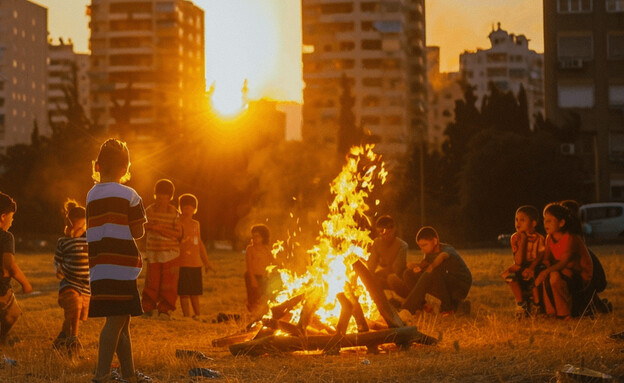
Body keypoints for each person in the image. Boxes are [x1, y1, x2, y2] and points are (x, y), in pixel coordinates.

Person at [87, 138, 151, 383]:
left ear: (98, 166)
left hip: (100, 267)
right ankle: (101, 375)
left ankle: (130, 375)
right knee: (116, 321)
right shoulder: (130, 195)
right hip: (122, 268)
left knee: (122, 322)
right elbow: (137, 232)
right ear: (125, 169)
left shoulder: (91, 195)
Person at [534, 202, 593, 319]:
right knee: (550, 275)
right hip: (562, 271)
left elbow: (564, 262)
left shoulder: (571, 238)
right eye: (545, 220)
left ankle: (564, 313)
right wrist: (539, 268)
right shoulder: (549, 238)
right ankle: (550, 312)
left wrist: (545, 272)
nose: (545, 223)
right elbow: (547, 259)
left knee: (553, 276)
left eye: (550, 220)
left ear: (561, 223)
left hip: (580, 275)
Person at [401, 226, 472, 315]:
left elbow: (442, 256)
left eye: (424, 245)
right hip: (445, 283)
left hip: (460, 284)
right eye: (420, 246)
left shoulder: (447, 249)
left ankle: (408, 308)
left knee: (432, 272)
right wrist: (415, 266)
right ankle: (422, 305)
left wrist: (432, 266)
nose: (422, 249)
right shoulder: (429, 254)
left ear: (434, 241)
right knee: (408, 274)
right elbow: (424, 263)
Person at [141, 179, 182, 320]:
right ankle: (148, 307)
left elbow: (178, 233)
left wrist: (162, 230)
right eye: (158, 196)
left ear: (170, 197)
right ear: (155, 195)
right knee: (152, 281)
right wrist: (153, 227)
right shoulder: (150, 210)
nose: (161, 199)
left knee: (168, 283)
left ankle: (165, 309)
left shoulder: (174, 213)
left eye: (164, 196)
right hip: (154, 253)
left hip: (170, 254)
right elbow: (143, 226)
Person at [53, 199, 90, 354]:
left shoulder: (90, 241)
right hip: (69, 282)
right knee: (74, 307)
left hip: (86, 286)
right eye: (77, 226)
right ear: (69, 224)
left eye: (83, 226)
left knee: (75, 316)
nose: (80, 229)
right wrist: (59, 269)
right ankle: (72, 341)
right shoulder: (63, 242)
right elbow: (57, 260)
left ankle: (61, 338)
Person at [500, 205, 545, 317]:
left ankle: (537, 305)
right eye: (516, 219)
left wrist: (531, 268)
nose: (518, 223)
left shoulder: (540, 238)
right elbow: (518, 261)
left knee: (535, 277)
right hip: (520, 265)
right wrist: (523, 239)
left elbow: (541, 255)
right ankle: (521, 303)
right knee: (508, 275)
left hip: (535, 265)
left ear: (533, 223)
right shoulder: (515, 238)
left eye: (522, 220)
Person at [0, 192, 32, 345]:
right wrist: (25, 283)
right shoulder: (5, 237)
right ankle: (2, 339)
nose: (12, 222)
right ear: (3, 216)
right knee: (13, 314)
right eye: (11, 217)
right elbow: (9, 266)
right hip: (1, 288)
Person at [177, 193, 214, 319]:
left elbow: (199, 243)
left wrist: (206, 262)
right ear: (180, 208)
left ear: (194, 209)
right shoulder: (177, 223)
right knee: (184, 292)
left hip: (195, 263)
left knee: (195, 292)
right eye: (184, 207)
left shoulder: (196, 224)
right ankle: (187, 316)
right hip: (182, 263)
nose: (187, 210)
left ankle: (197, 315)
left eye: (190, 207)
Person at [367, 215, 408, 291]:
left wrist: (377, 275)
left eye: (387, 233)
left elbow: (396, 269)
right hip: (381, 278)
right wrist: (368, 275)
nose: (384, 236)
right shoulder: (376, 242)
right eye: (380, 233)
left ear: (393, 230)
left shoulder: (402, 246)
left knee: (391, 279)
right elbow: (371, 264)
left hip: (397, 280)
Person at [245, 224, 273, 312]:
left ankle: (261, 311)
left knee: (262, 296)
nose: (254, 238)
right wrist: (252, 278)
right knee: (253, 296)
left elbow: (271, 263)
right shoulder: (250, 249)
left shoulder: (266, 250)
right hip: (252, 275)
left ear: (263, 237)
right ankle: (252, 311)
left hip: (263, 277)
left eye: (257, 236)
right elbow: (249, 264)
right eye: (253, 236)